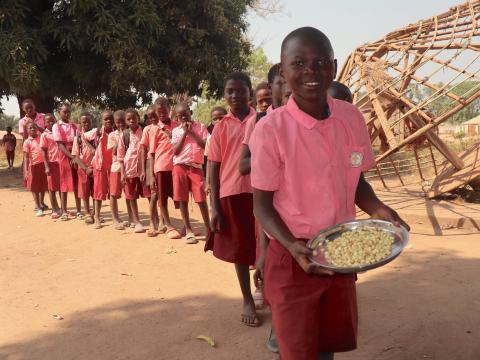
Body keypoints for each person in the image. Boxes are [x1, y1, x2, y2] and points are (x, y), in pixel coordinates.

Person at [249, 27, 409, 360]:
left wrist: (377, 208)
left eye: (320, 62)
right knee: (295, 351)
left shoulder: (350, 117)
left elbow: (356, 180)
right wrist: (293, 246)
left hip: (341, 253)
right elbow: (262, 207)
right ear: (283, 71)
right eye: (299, 63)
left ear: (333, 67)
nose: (311, 71)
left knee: (326, 347)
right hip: (293, 253)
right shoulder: (270, 130)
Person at [205, 72, 259, 327]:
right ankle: (247, 298)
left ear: (250, 92)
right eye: (230, 91)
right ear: (225, 95)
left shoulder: (261, 119)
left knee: (265, 245)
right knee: (239, 250)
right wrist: (214, 206)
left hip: (262, 190)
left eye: (240, 90)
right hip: (232, 192)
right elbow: (213, 168)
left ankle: (268, 291)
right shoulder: (220, 127)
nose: (235, 95)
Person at [171, 103, 210, 244]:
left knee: (201, 198)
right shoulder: (176, 131)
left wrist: (192, 133)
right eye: (180, 116)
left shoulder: (200, 127)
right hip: (180, 166)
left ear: (190, 112)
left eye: (185, 114)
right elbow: (175, 151)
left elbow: (206, 145)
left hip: (196, 167)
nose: (183, 117)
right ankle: (188, 230)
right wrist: (185, 134)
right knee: (182, 199)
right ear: (177, 117)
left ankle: (209, 229)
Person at [149, 97, 181, 239]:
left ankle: (186, 225)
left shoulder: (178, 125)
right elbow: (152, 153)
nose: (162, 114)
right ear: (156, 112)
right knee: (162, 198)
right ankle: (168, 225)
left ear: (170, 109)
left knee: (180, 196)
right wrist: (151, 174)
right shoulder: (154, 129)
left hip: (177, 166)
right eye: (159, 111)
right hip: (161, 167)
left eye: (164, 110)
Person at [118, 109, 148, 233]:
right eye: (128, 119)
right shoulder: (124, 135)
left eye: (133, 118)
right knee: (131, 197)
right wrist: (122, 173)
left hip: (143, 170)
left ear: (138, 118)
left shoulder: (145, 131)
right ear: (126, 121)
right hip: (129, 170)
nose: (131, 120)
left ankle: (156, 219)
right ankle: (137, 221)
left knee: (150, 195)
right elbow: (120, 156)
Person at [52, 103, 81, 221]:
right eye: (64, 111)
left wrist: (75, 156)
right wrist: (71, 157)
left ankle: (79, 210)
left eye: (68, 111)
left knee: (76, 183)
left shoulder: (74, 126)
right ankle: (64, 211)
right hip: (64, 155)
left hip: (75, 153)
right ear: (59, 113)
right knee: (64, 183)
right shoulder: (56, 127)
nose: (67, 114)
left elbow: (78, 141)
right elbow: (60, 144)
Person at [88, 111, 114, 229]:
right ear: (102, 121)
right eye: (106, 119)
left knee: (112, 193)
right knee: (98, 193)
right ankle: (97, 217)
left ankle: (115, 217)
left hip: (112, 167)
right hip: (99, 166)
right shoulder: (96, 132)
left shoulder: (115, 134)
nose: (108, 121)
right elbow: (82, 136)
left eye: (110, 119)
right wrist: (92, 149)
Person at [71, 113, 96, 225]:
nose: (86, 123)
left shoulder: (95, 137)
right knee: (84, 193)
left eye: (88, 121)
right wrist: (86, 168)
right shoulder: (77, 139)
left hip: (95, 167)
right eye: (83, 122)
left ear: (91, 122)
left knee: (95, 191)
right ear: (80, 124)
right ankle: (87, 213)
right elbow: (76, 156)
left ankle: (95, 213)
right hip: (83, 168)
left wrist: (92, 167)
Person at [139, 105, 160, 236]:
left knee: (162, 194)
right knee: (153, 194)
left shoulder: (166, 127)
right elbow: (143, 149)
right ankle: (152, 223)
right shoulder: (147, 129)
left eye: (154, 115)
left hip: (165, 163)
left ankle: (163, 222)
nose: (152, 118)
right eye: (149, 116)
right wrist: (143, 170)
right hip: (150, 163)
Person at [23, 122, 48, 217]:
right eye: (30, 128)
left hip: (43, 165)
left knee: (43, 186)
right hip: (33, 166)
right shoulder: (27, 142)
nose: (33, 129)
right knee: (34, 187)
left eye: (34, 127)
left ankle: (41, 202)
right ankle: (37, 206)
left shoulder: (41, 137)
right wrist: (26, 171)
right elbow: (26, 157)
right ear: (27, 130)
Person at [40, 114, 61, 218]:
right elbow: (43, 152)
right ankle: (54, 209)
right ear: (44, 123)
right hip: (51, 163)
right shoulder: (44, 135)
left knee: (62, 187)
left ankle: (63, 208)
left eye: (52, 120)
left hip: (60, 162)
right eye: (48, 121)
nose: (50, 123)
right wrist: (47, 166)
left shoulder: (59, 132)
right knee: (52, 188)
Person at [108, 110, 127, 230]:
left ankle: (132, 218)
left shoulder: (129, 133)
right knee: (114, 194)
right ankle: (115, 219)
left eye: (122, 122)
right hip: (116, 167)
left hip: (129, 167)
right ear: (114, 123)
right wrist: (121, 136)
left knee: (130, 194)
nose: (120, 124)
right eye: (117, 122)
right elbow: (114, 151)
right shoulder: (112, 135)